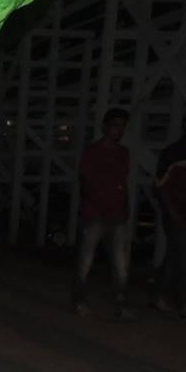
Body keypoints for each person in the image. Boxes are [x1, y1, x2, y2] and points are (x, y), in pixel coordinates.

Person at [74, 108, 134, 319]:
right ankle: (80, 300)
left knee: (121, 264)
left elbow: (122, 183)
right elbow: (87, 183)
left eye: (122, 125)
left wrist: (124, 209)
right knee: (85, 261)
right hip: (96, 215)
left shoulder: (123, 152)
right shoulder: (93, 152)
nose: (119, 130)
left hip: (117, 216)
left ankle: (121, 303)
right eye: (115, 125)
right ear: (105, 127)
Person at [153, 105, 186, 317]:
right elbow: (161, 187)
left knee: (175, 254)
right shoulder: (174, 152)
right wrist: (173, 213)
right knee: (180, 255)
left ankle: (159, 295)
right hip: (177, 209)